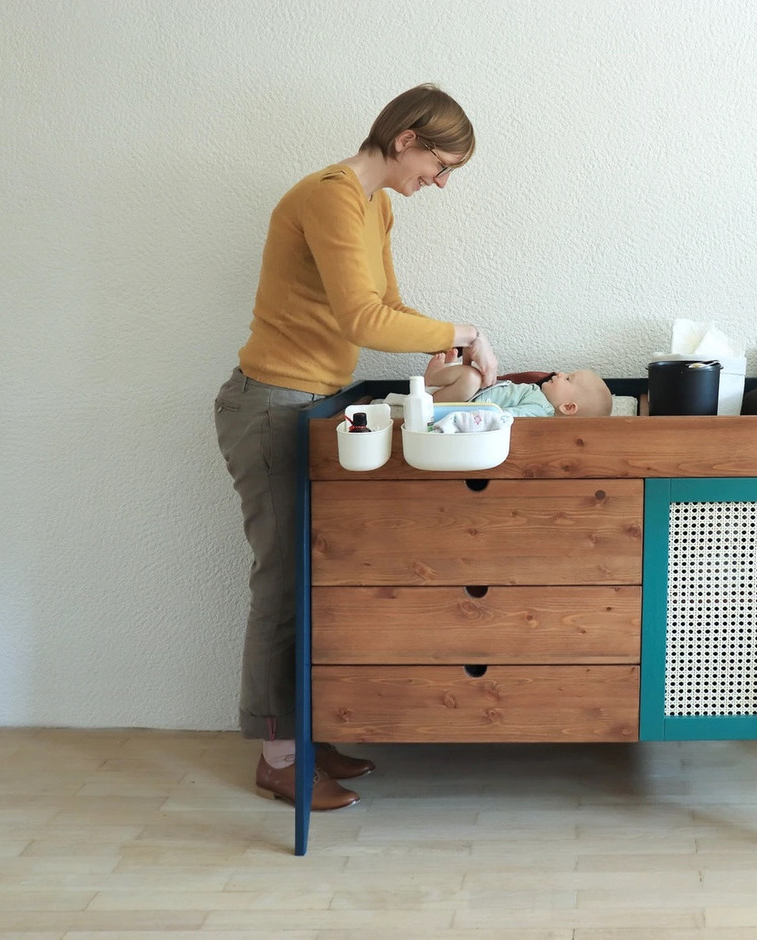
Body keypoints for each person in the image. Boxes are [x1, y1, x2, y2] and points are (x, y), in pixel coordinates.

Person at [213, 84, 498, 811]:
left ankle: (305, 733)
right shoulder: (329, 195)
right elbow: (363, 318)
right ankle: (279, 757)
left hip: (312, 404)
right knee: (280, 584)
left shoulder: (376, 206)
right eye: (440, 165)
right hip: (272, 405)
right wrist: (458, 332)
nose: (438, 183)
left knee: (316, 576)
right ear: (406, 138)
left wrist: (441, 353)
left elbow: (391, 308)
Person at [423, 350, 612, 417]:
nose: (561, 373)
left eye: (569, 378)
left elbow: (509, 416)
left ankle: (434, 376)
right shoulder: (539, 397)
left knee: (471, 378)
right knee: (475, 378)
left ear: (568, 407)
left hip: (467, 406)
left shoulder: (540, 409)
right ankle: (443, 377)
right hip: (466, 399)